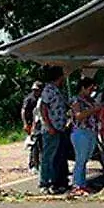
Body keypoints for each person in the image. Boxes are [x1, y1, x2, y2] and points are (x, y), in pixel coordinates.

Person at [39, 66, 71, 194]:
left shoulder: (58, 90)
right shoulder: (48, 90)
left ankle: (58, 181)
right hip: (52, 129)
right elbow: (43, 108)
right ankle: (45, 182)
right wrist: (49, 126)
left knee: (59, 156)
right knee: (49, 156)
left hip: (60, 128)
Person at [70, 78, 101, 194]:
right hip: (80, 131)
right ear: (83, 88)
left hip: (90, 131)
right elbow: (78, 116)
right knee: (80, 159)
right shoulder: (76, 100)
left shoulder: (90, 100)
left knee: (85, 159)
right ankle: (77, 185)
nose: (91, 91)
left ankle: (82, 183)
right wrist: (93, 110)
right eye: (90, 88)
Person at [21, 82, 43, 170]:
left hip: (39, 123)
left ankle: (38, 162)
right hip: (31, 123)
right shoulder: (29, 99)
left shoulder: (42, 98)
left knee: (39, 144)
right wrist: (25, 123)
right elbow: (23, 111)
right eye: (34, 90)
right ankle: (32, 164)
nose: (35, 92)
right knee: (33, 144)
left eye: (37, 90)